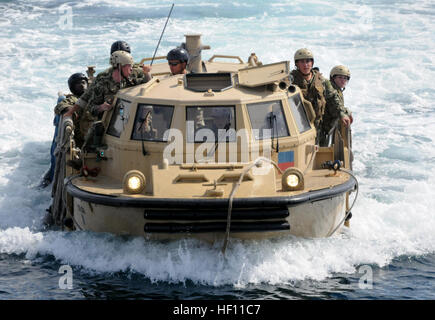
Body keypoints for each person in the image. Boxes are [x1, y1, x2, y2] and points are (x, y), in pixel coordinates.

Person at [39, 73, 89, 188]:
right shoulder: (73, 99)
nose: (81, 85)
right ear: (72, 87)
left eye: (83, 83)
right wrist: (70, 110)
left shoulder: (93, 97)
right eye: (78, 84)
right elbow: (60, 106)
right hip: (81, 141)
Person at [290, 48, 327, 137]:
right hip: (298, 125)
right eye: (302, 62)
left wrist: (343, 113)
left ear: (312, 63)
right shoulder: (291, 80)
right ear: (297, 64)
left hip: (317, 125)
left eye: (308, 61)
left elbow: (333, 96)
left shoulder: (320, 79)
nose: (305, 65)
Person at [320, 65, 353, 146]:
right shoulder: (331, 90)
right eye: (340, 77)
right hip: (323, 127)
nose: (343, 81)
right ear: (333, 78)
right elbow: (335, 106)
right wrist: (346, 113)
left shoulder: (337, 90)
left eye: (345, 78)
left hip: (327, 127)